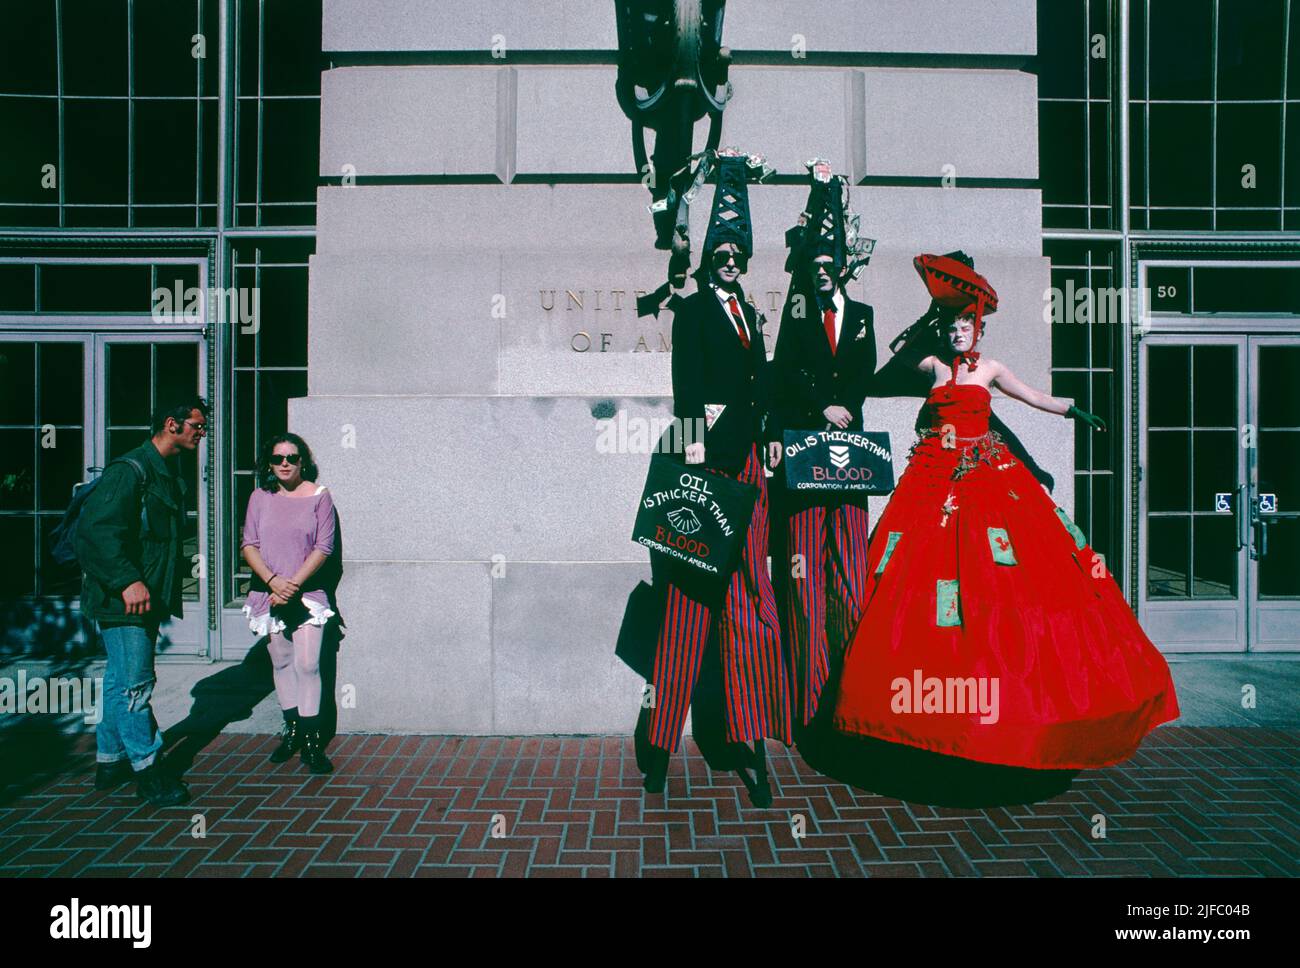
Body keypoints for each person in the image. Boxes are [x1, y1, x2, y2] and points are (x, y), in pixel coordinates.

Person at [831, 253, 1179, 770]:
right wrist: (930, 318)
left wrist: (1074, 410)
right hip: (929, 482)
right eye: (951, 326)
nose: (958, 334)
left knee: (996, 584)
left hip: (985, 476)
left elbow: (1033, 396)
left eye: (965, 325)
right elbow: (896, 359)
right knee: (919, 588)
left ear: (978, 330)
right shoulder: (931, 366)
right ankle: (918, 721)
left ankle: (1002, 714)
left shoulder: (989, 368)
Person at [641, 149, 792, 806]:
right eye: (721, 251)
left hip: (751, 468)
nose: (729, 259)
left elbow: (758, 389)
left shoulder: (749, 314)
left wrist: (772, 443)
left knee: (753, 600)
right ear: (707, 258)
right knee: (687, 609)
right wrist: (695, 454)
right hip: (707, 470)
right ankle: (659, 743)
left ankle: (748, 738)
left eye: (736, 251)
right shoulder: (696, 310)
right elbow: (685, 394)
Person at [771, 164, 876, 729]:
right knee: (806, 586)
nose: (821, 274)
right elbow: (784, 374)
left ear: (841, 269)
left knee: (852, 583)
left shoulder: (862, 317)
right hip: (808, 462)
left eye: (829, 266)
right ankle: (807, 711)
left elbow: (866, 372)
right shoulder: (795, 317)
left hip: (853, 463)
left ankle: (854, 706)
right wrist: (820, 410)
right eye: (813, 267)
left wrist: (848, 407)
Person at [77, 397, 209, 806]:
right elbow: (96, 532)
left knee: (120, 678)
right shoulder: (130, 470)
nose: (201, 433)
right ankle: (150, 772)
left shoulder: (166, 470)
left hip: (143, 598)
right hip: (123, 600)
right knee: (137, 685)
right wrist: (128, 581)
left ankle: (110, 759)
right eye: (196, 425)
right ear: (172, 424)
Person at [241, 433, 338, 774]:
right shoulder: (259, 497)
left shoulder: (319, 497)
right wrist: (273, 581)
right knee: (281, 663)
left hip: (307, 595)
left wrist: (293, 584)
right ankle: (292, 730)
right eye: (278, 458)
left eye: (292, 458)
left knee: (308, 665)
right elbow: (249, 544)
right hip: (270, 593)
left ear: (303, 462)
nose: (285, 464)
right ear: (269, 463)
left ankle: (312, 742)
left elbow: (323, 548)